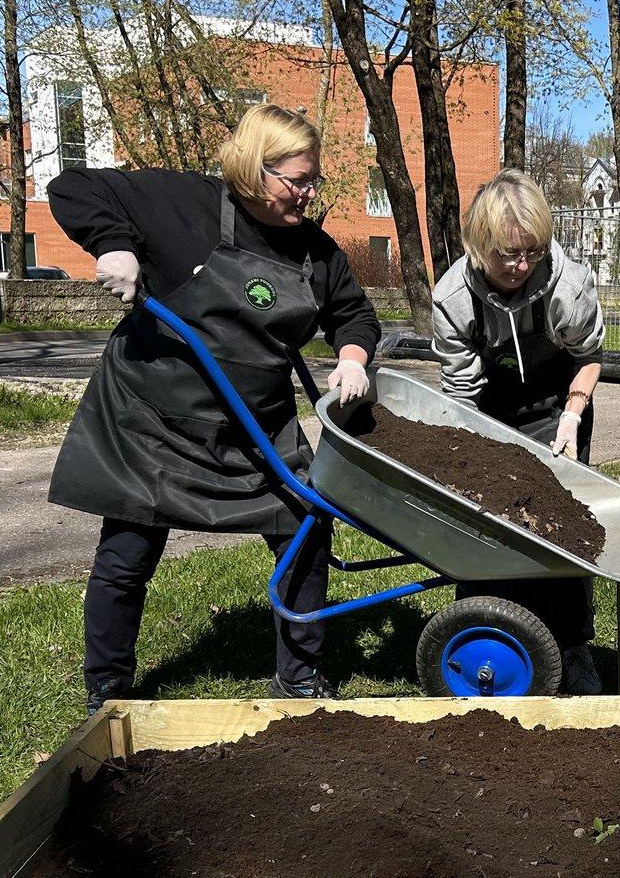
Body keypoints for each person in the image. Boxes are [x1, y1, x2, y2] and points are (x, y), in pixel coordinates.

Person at [48, 103, 380, 710]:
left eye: (314, 180)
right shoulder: (181, 203)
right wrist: (115, 245)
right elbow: (72, 186)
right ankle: (109, 691)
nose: (308, 193)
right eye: (296, 180)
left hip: (256, 425)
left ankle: (299, 679)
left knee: (304, 530)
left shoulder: (315, 251)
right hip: (155, 419)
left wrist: (353, 356)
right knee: (127, 553)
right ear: (255, 171)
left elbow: (352, 312)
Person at [429, 169, 608, 694]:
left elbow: (590, 357)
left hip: (561, 399)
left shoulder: (567, 286)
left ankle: (573, 647)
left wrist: (573, 416)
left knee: (564, 527)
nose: (522, 265)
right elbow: (461, 392)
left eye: (533, 251)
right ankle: (482, 626)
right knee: (482, 519)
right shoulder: (453, 300)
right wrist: (467, 451)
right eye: (509, 255)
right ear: (479, 246)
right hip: (490, 403)